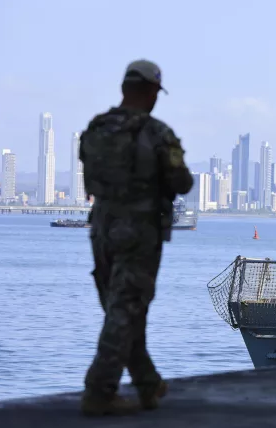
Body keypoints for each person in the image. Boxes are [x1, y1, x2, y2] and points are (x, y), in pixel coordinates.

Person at [79, 59, 193, 416]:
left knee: (122, 307)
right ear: (152, 92)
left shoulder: (97, 128)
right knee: (126, 309)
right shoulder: (156, 133)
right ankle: (100, 390)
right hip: (138, 231)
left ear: (123, 88)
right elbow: (182, 182)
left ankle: (147, 383)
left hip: (101, 227)